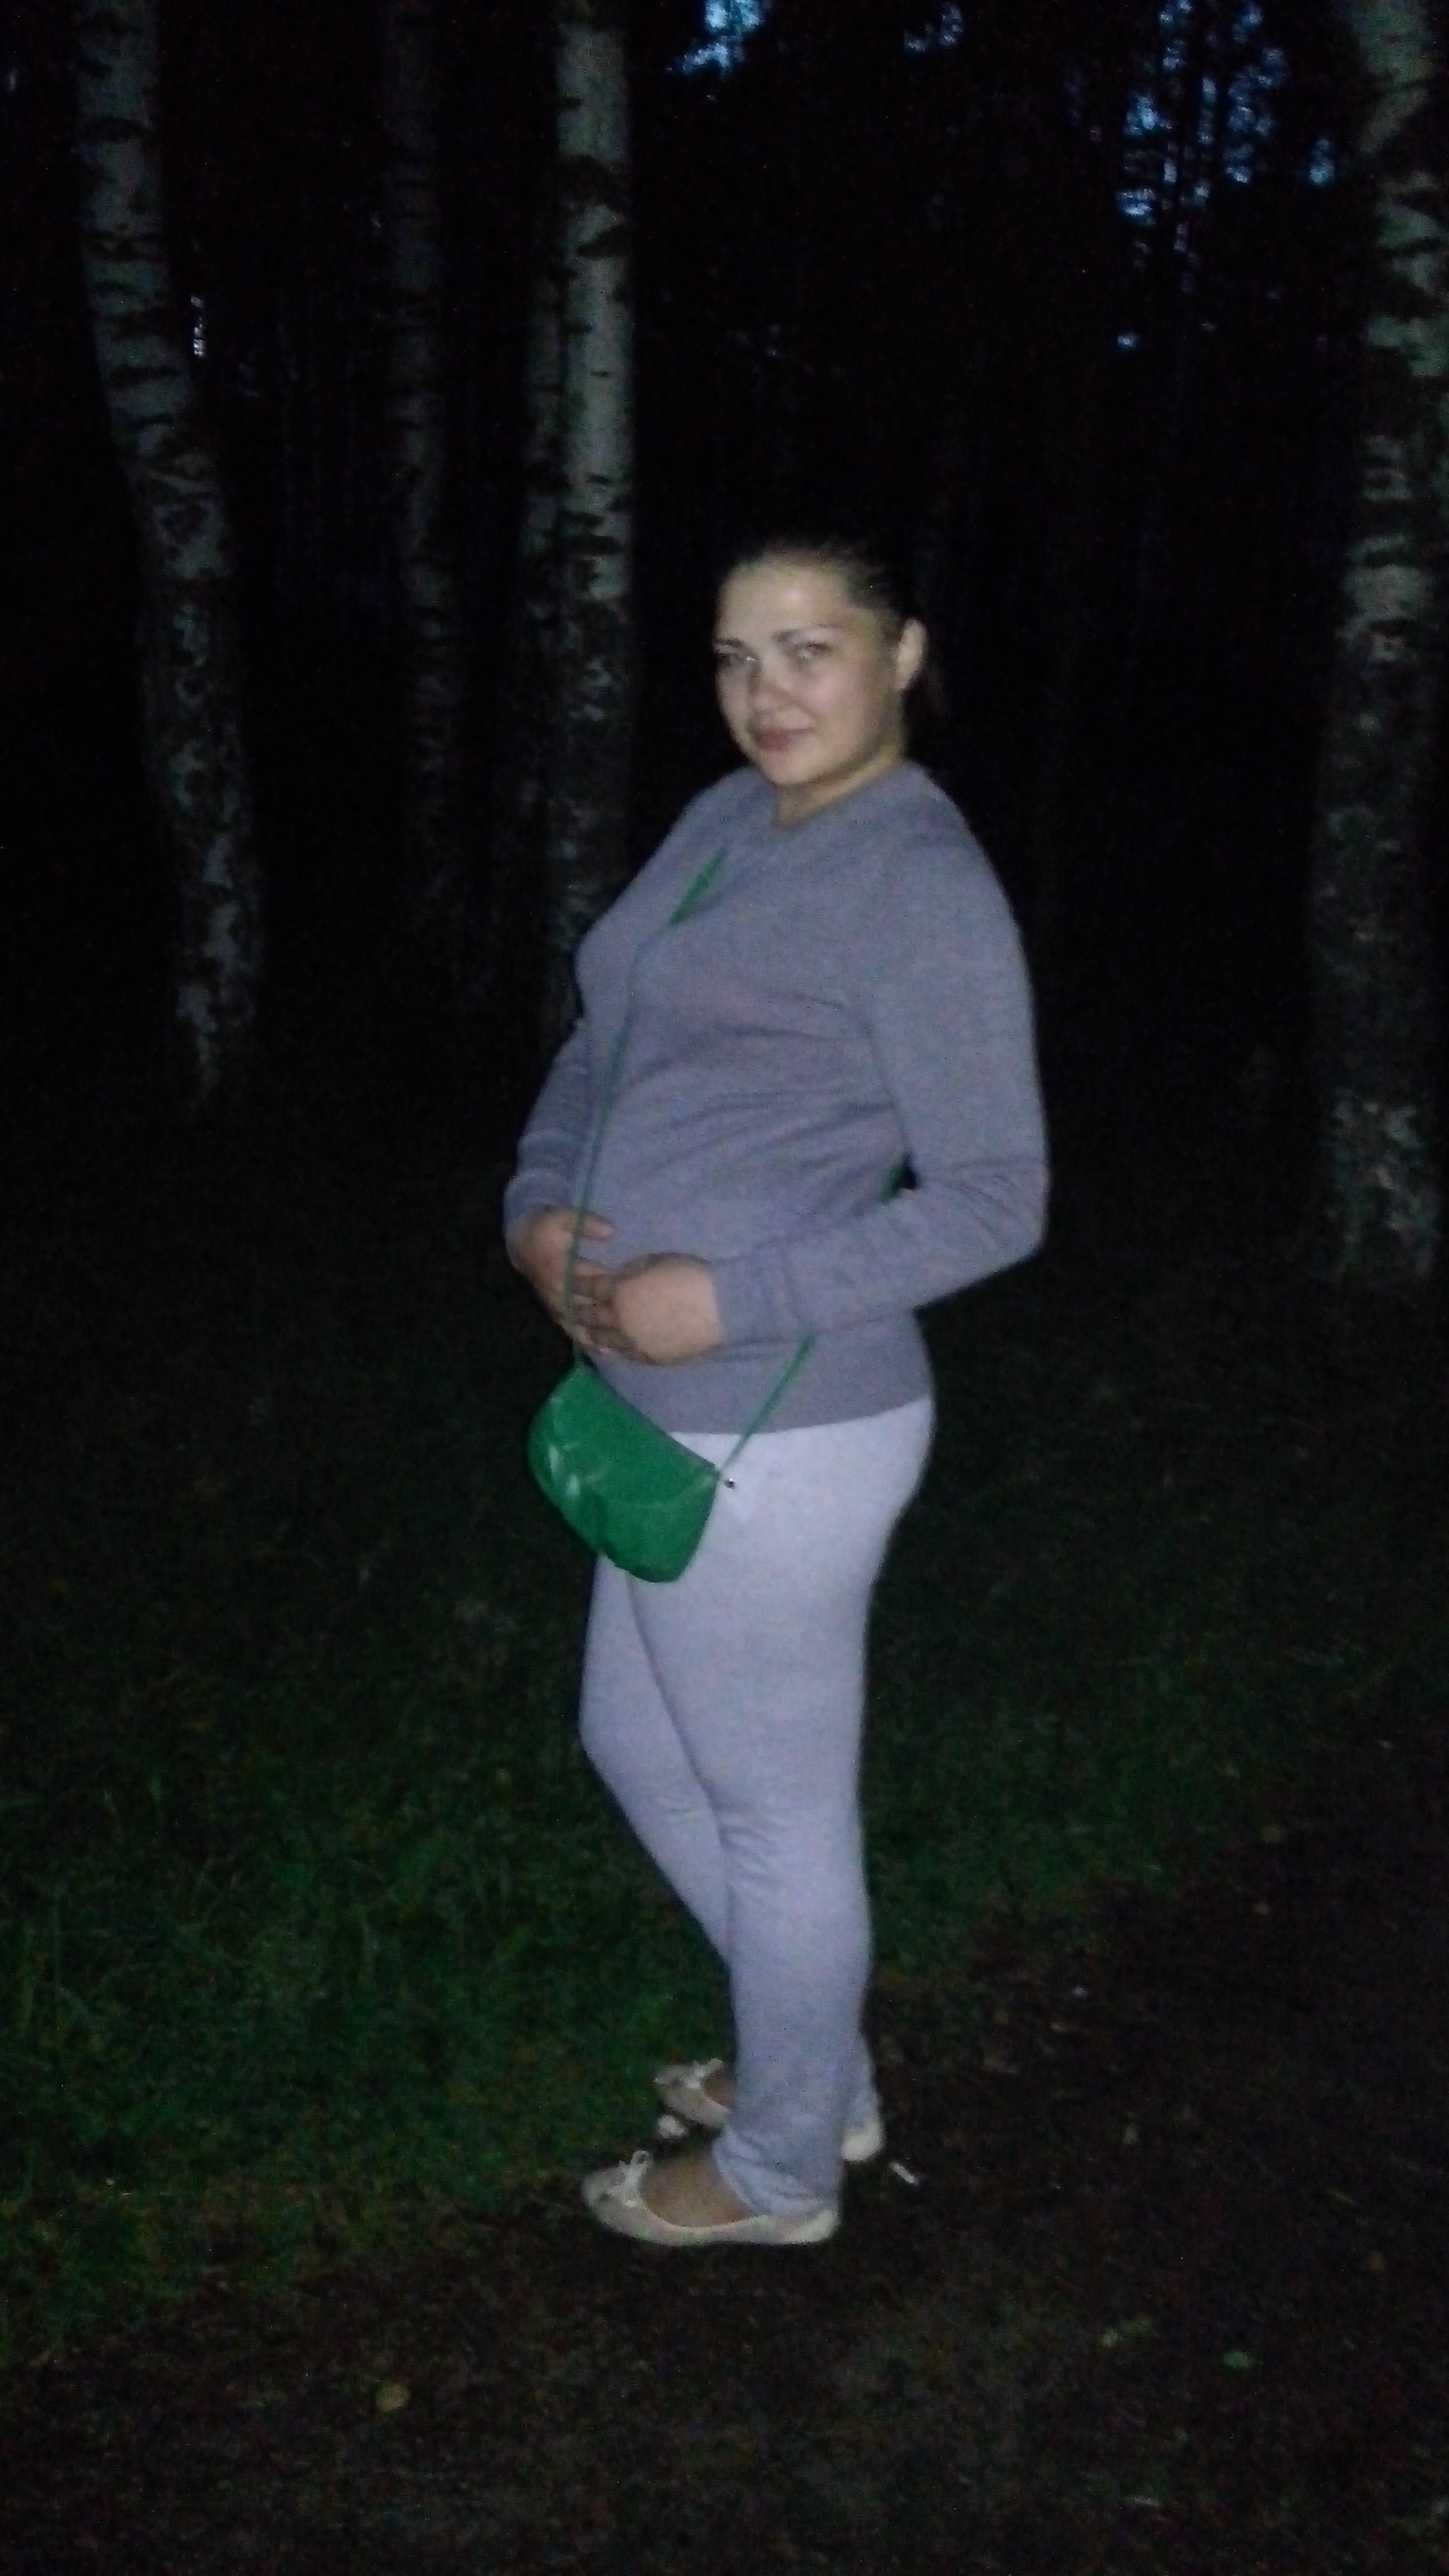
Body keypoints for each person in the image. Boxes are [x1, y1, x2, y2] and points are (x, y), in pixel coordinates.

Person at [504, 535, 1047, 2246]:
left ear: (904, 656)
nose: (768, 692)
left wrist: (724, 1298)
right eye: (737, 657)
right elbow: (603, 1039)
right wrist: (536, 1211)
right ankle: (812, 2066)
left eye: (812, 650)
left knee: (776, 1815)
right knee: (629, 1740)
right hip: (653, 1402)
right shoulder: (736, 817)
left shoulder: (918, 882)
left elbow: (996, 1201)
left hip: (786, 1426)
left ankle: (783, 2170)